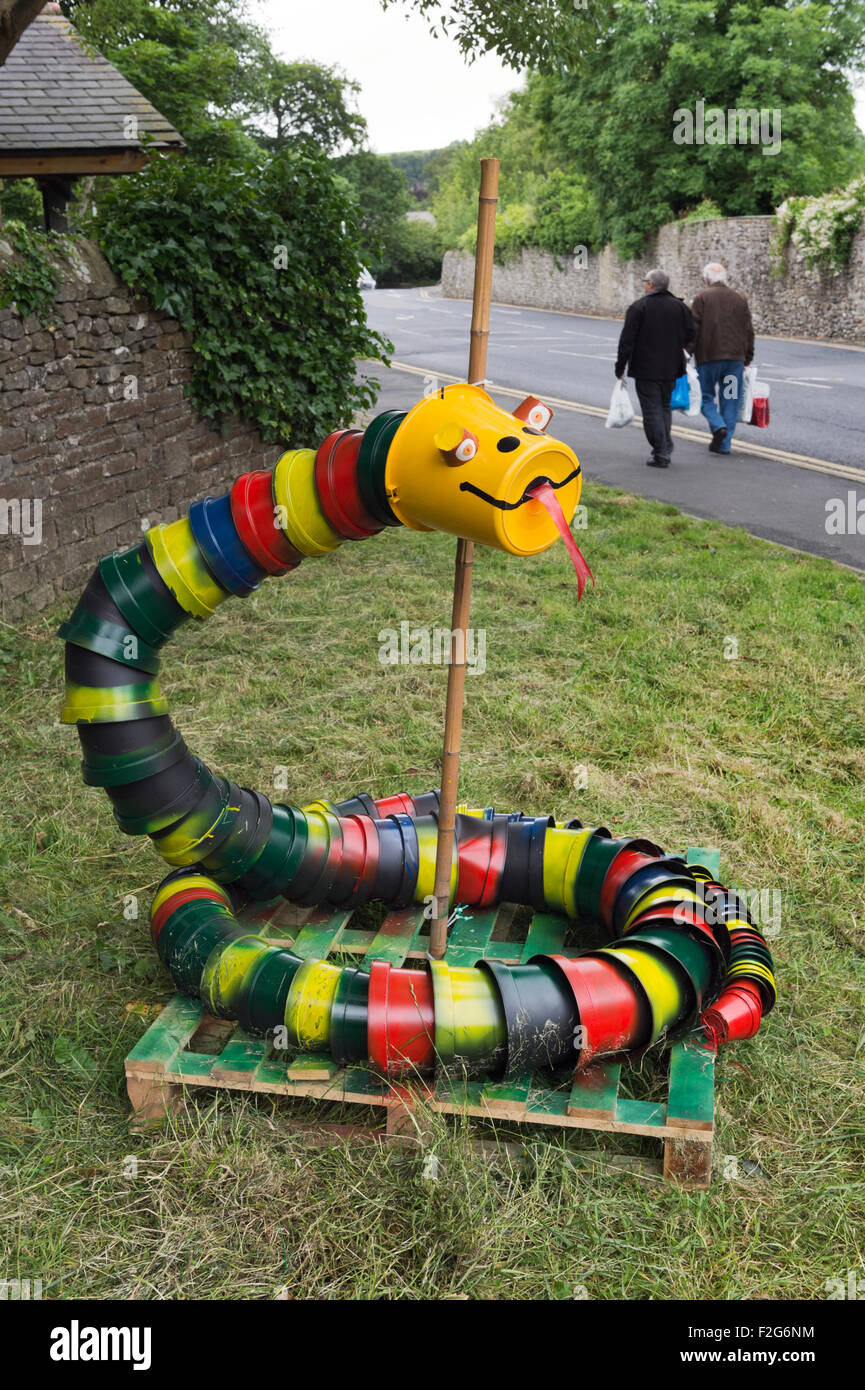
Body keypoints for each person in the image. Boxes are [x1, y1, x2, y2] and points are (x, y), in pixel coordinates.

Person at [614, 268, 695, 469]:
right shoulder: (680, 307)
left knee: (652, 411)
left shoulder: (639, 307)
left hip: (646, 368)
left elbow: (627, 341)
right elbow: (692, 334)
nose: (644, 285)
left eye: (645, 282)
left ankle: (661, 452)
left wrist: (620, 367)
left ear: (650, 285)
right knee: (664, 408)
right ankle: (665, 446)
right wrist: (683, 353)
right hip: (672, 368)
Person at [688, 263, 755, 455]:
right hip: (734, 362)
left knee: (704, 397)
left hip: (709, 359)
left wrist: (687, 353)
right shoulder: (740, 299)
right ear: (725, 278)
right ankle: (725, 445)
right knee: (731, 399)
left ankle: (718, 426)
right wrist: (747, 357)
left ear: (707, 279)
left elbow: (694, 330)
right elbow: (749, 331)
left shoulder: (702, 298)